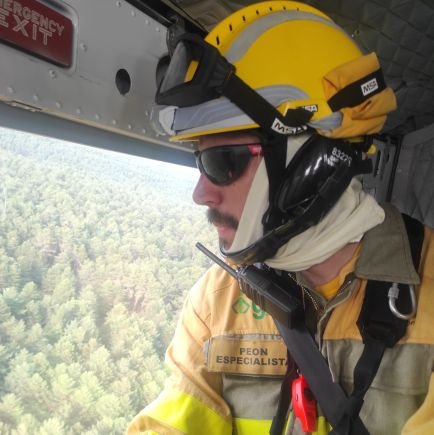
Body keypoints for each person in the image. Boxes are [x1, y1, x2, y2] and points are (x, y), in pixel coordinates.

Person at [127, 1, 434, 434]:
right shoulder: (216, 301)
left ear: (317, 162)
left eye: (223, 161)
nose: (201, 193)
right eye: (199, 162)